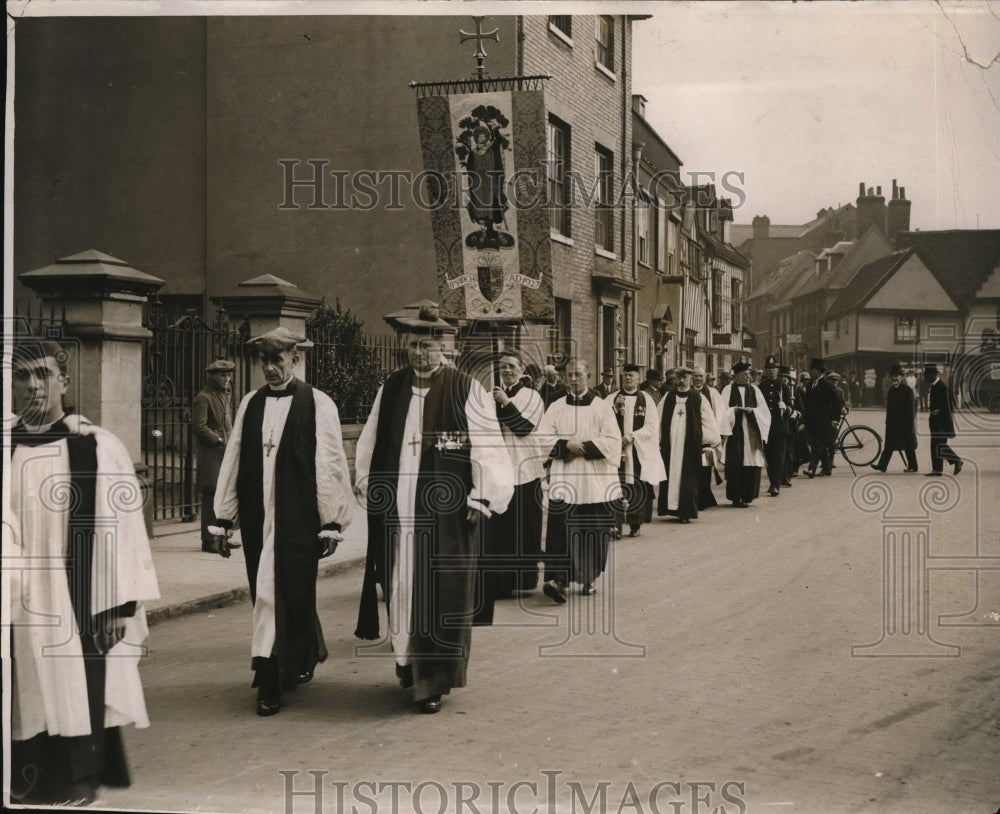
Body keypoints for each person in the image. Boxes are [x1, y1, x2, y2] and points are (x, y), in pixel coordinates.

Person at [9, 339, 159, 805]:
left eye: (43, 374)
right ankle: (26, 782)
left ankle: (77, 781)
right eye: (22, 376)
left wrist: (117, 607)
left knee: (74, 682)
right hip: (16, 596)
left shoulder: (94, 447)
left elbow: (123, 529)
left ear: (64, 382)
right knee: (23, 689)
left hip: (77, 595)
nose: (33, 385)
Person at [354, 303, 514, 714]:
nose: (419, 353)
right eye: (412, 345)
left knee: (440, 594)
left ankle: (434, 680)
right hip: (399, 515)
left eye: (427, 345)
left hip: (447, 517)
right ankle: (408, 665)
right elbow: (370, 443)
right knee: (402, 588)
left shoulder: (466, 389)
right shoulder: (391, 389)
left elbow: (489, 447)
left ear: (442, 346)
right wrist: (367, 483)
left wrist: (483, 495)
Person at [212, 327, 352, 717]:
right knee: (267, 591)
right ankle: (283, 663)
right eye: (264, 360)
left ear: (295, 359)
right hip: (259, 516)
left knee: (289, 591)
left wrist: (331, 521)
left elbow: (329, 463)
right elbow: (235, 457)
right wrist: (224, 518)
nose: (270, 368)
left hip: (300, 517)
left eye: (279, 360)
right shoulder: (250, 404)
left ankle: (273, 673)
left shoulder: (318, 403)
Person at [537, 359, 622, 602]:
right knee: (560, 529)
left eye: (578, 374)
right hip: (565, 478)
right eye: (569, 375)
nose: (573, 379)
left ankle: (588, 577)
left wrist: (581, 447)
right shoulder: (555, 406)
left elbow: (613, 440)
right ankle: (558, 580)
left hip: (594, 479)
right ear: (563, 378)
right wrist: (565, 445)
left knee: (592, 530)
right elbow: (542, 438)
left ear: (588, 375)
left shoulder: (601, 406)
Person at [489, 351, 546, 596]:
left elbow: (523, 428)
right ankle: (500, 582)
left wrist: (504, 403)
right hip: (500, 470)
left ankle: (522, 579)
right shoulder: (491, 395)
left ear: (521, 369)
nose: (508, 371)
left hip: (525, 469)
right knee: (501, 527)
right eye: (503, 367)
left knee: (524, 526)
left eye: (512, 366)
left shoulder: (531, 396)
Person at [607, 363, 665, 537]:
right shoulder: (611, 398)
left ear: (639, 379)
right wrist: (614, 409)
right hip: (616, 450)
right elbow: (601, 419)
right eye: (625, 375)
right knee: (615, 486)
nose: (627, 378)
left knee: (636, 487)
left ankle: (635, 524)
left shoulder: (646, 399)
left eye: (631, 375)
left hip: (636, 449)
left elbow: (652, 426)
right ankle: (614, 525)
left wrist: (632, 436)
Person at [658, 367, 720, 523]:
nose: (682, 381)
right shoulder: (668, 397)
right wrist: (657, 440)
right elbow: (658, 420)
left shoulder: (698, 398)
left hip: (690, 446)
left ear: (690, 379)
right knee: (670, 476)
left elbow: (708, 421)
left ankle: (685, 512)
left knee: (689, 479)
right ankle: (671, 508)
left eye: (685, 378)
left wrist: (707, 442)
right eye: (679, 378)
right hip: (670, 445)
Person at [192, 358, 235, 552]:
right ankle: (208, 540)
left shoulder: (225, 393)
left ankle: (223, 535)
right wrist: (218, 440)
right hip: (211, 453)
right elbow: (198, 426)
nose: (227, 378)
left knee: (225, 493)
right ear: (212, 376)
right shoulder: (204, 397)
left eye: (228, 375)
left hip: (226, 448)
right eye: (223, 375)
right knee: (211, 493)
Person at [718, 361, 771, 507]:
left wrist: (752, 411)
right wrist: (733, 411)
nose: (747, 377)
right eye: (744, 374)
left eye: (748, 374)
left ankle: (748, 496)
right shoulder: (728, 390)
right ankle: (736, 497)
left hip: (751, 432)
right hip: (735, 432)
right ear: (736, 376)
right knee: (736, 463)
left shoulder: (754, 390)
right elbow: (721, 411)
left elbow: (764, 410)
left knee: (750, 462)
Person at [871, 364, 918, 472]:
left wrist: (909, 424)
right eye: (893, 376)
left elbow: (911, 410)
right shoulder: (891, 390)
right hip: (892, 424)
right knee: (889, 446)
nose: (895, 378)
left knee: (908, 446)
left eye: (897, 376)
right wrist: (888, 422)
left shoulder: (907, 390)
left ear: (902, 377)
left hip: (905, 423)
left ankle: (913, 466)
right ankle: (882, 465)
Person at [758, 355, 794, 496]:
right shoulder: (761, 388)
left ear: (777, 370)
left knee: (779, 457)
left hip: (780, 427)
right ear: (766, 371)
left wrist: (785, 407)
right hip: (766, 428)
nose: (771, 371)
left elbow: (792, 407)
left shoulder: (783, 387)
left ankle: (775, 485)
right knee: (769, 456)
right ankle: (773, 480)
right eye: (769, 369)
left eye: (774, 368)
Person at [802, 358, 843, 478]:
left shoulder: (827, 385)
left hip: (824, 421)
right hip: (812, 421)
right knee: (819, 445)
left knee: (817, 445)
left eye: (813, 371)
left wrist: (835, 419)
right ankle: (827, 468)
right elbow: (807, 403)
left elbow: (837, 403)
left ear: (819, 372)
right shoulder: (810, 385)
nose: (811, 373)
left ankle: (811, 469)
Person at [691, 366, 724, 509]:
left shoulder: (712, 393)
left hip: (707, 436)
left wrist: (717, 434)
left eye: (701, 376)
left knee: (706, 468)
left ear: (705, 378)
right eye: (696, 376)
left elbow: (719, 414)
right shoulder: (687, 392)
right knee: (693, 469)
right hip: (691, 437)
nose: (698, 379)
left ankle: (704, 498)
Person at [923, 364, 963, 476]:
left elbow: (949, 406)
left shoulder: (942, 387)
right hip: (936, 421)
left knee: (939, 445)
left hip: (941, 422)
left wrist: (938, 411)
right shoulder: (935, 386)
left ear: (933, 375)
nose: (926, 378)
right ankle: (937, 470)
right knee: (935, 446)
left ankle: (956, 460)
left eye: (927, 376)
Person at [778, 365, 800, 486]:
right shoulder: (776, 390)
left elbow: (800, 408)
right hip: (779, 425)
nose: (783, 381)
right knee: (779, 453)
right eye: (781, 378)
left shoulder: (795, 391)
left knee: (788, 452)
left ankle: (787, 475)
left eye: (785, 379)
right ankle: (779, 476)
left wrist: (796, 413)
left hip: (791, 425)